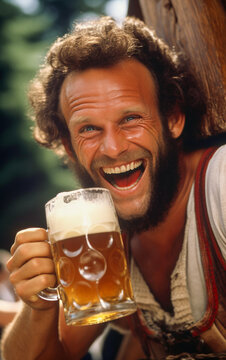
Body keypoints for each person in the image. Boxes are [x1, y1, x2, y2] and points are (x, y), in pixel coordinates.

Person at [1, 16, 225, 359]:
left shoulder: (220, 185)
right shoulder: (99, 233)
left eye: (131, 119)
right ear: (68, 144)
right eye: (89, 129)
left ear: (173, 119)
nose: (113, 148)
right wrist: (38, 306)